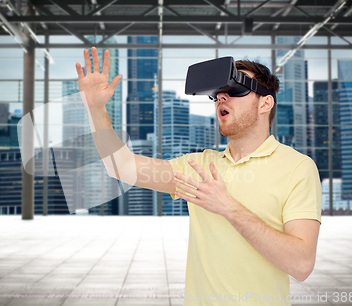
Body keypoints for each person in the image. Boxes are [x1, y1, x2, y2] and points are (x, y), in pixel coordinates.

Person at [75, 47, 321, 305]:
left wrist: (229, 208)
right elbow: (121, 167)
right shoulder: (200, 166)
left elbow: (302, 264)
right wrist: (96, 109)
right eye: (217, 95)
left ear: (265, 103)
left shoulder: (297, 167)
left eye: (235, 90)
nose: (222, 98)